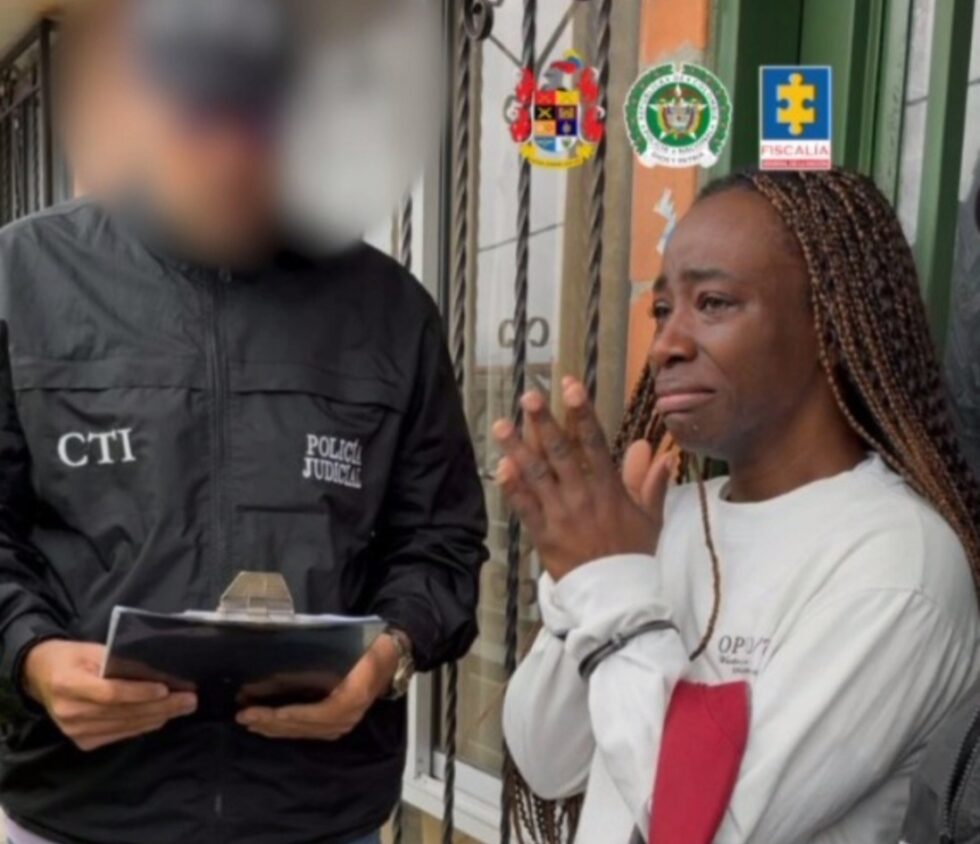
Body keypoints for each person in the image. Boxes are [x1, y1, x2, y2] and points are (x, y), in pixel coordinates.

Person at [0, 1, 487, 843]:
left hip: (320, 818)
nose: (234, 155)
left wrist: (389, 656)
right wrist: (30, 657)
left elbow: (440, 543)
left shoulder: (390, 312)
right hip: (80, 814)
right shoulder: (22, 282)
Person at [496, 168, 980, 843]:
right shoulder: (664, 517)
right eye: (663, 309)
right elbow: (546, 760)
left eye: (714, 302)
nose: (666, 343)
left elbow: (705, 828)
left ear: (830, 326)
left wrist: (609, 584)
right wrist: (582, 574)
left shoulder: (898, 562)